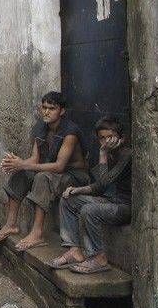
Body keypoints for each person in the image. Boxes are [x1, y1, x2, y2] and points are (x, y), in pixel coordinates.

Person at [0, 91, 90, 251]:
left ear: (61, 111)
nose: (46, 112)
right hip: (54, 173)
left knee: (42, 177)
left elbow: (59, 166)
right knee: (21, 174)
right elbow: (34, 159)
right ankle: (11, 224)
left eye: (52, 108)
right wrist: (18, 164)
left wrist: (24, 164)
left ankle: (37, 233)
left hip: (75, 177)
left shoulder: (70, 132)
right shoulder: (41, 128)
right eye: (44, 107)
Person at [49, 116, 132, 274]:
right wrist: (78, 189)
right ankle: (74, 250)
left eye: (110, 137)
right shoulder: (111, 155)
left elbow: (105, 182)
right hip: (111, 200)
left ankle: (99, 258)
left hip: (126, 207)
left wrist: (102, 155)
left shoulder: (126, 155)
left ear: (122, 138)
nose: (106, 142)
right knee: (69, 199)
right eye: (102, 138)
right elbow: (100, 186)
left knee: (89, 210)